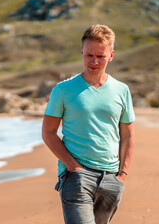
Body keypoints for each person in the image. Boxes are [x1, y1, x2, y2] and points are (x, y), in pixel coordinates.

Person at [42, 24, 135, 224]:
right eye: (89, 55)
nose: (94, 61)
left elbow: (127, 134)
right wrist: (73, 167)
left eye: (100, 56)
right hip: (77, 178)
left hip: (112, 178)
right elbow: (48, 132)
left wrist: (122, 174)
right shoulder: (63, 90)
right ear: (82, 52)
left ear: (111, 55)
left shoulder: (122, 90)